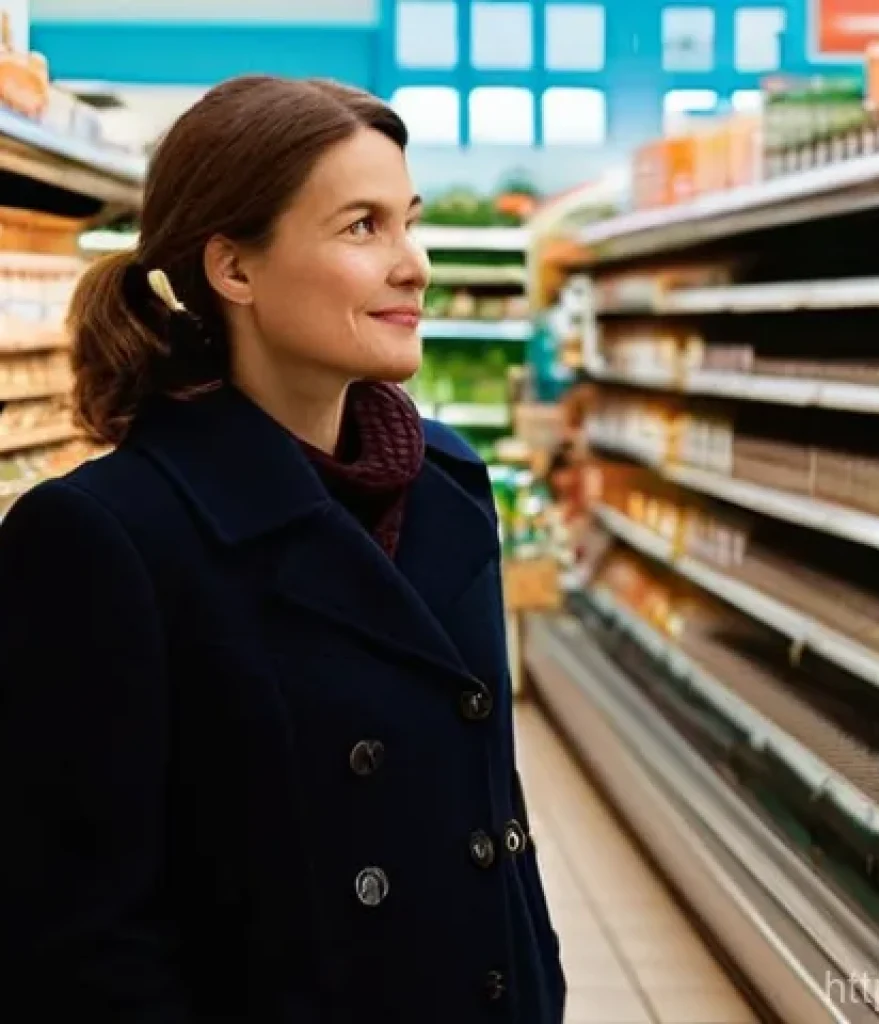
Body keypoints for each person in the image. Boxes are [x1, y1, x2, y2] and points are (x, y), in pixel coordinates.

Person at [0, 75, 565, 1023]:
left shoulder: (448, 487)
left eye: (407, 221)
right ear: (234, 270)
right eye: (361, 227)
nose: (413, 263)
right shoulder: (103, 538)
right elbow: (76, 937)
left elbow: (484, 811)